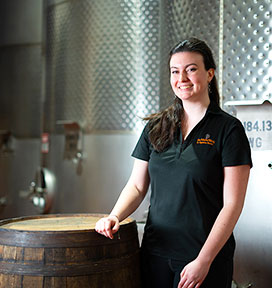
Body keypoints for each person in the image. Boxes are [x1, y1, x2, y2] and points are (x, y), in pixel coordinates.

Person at [95, 37, 252, 288]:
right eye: (175, 71)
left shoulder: (228, 130)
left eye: (191, 69)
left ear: (209, 74)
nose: (182, 78)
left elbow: (232, 205)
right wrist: (115, 215)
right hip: (155, 253)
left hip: (202, 257)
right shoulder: (156, 127)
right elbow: (136, 186)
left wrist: (204, 260)